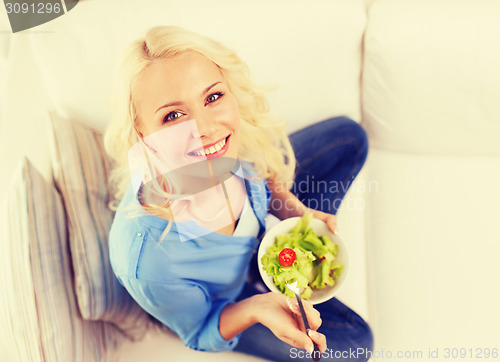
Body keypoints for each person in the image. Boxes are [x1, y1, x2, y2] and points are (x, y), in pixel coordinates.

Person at [104, 25, 373, 361]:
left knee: (347, 138)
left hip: (260, 238)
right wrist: (257, 308)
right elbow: (200, 330)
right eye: (173, 116)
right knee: (357, 345)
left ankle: (291, 253)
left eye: (213, 97)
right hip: (231, 299)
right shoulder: (149, 264)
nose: (207, 128)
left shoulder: (228, 145)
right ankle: (268, 286)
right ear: (141, 131)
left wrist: (290, 210)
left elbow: (257, 181)